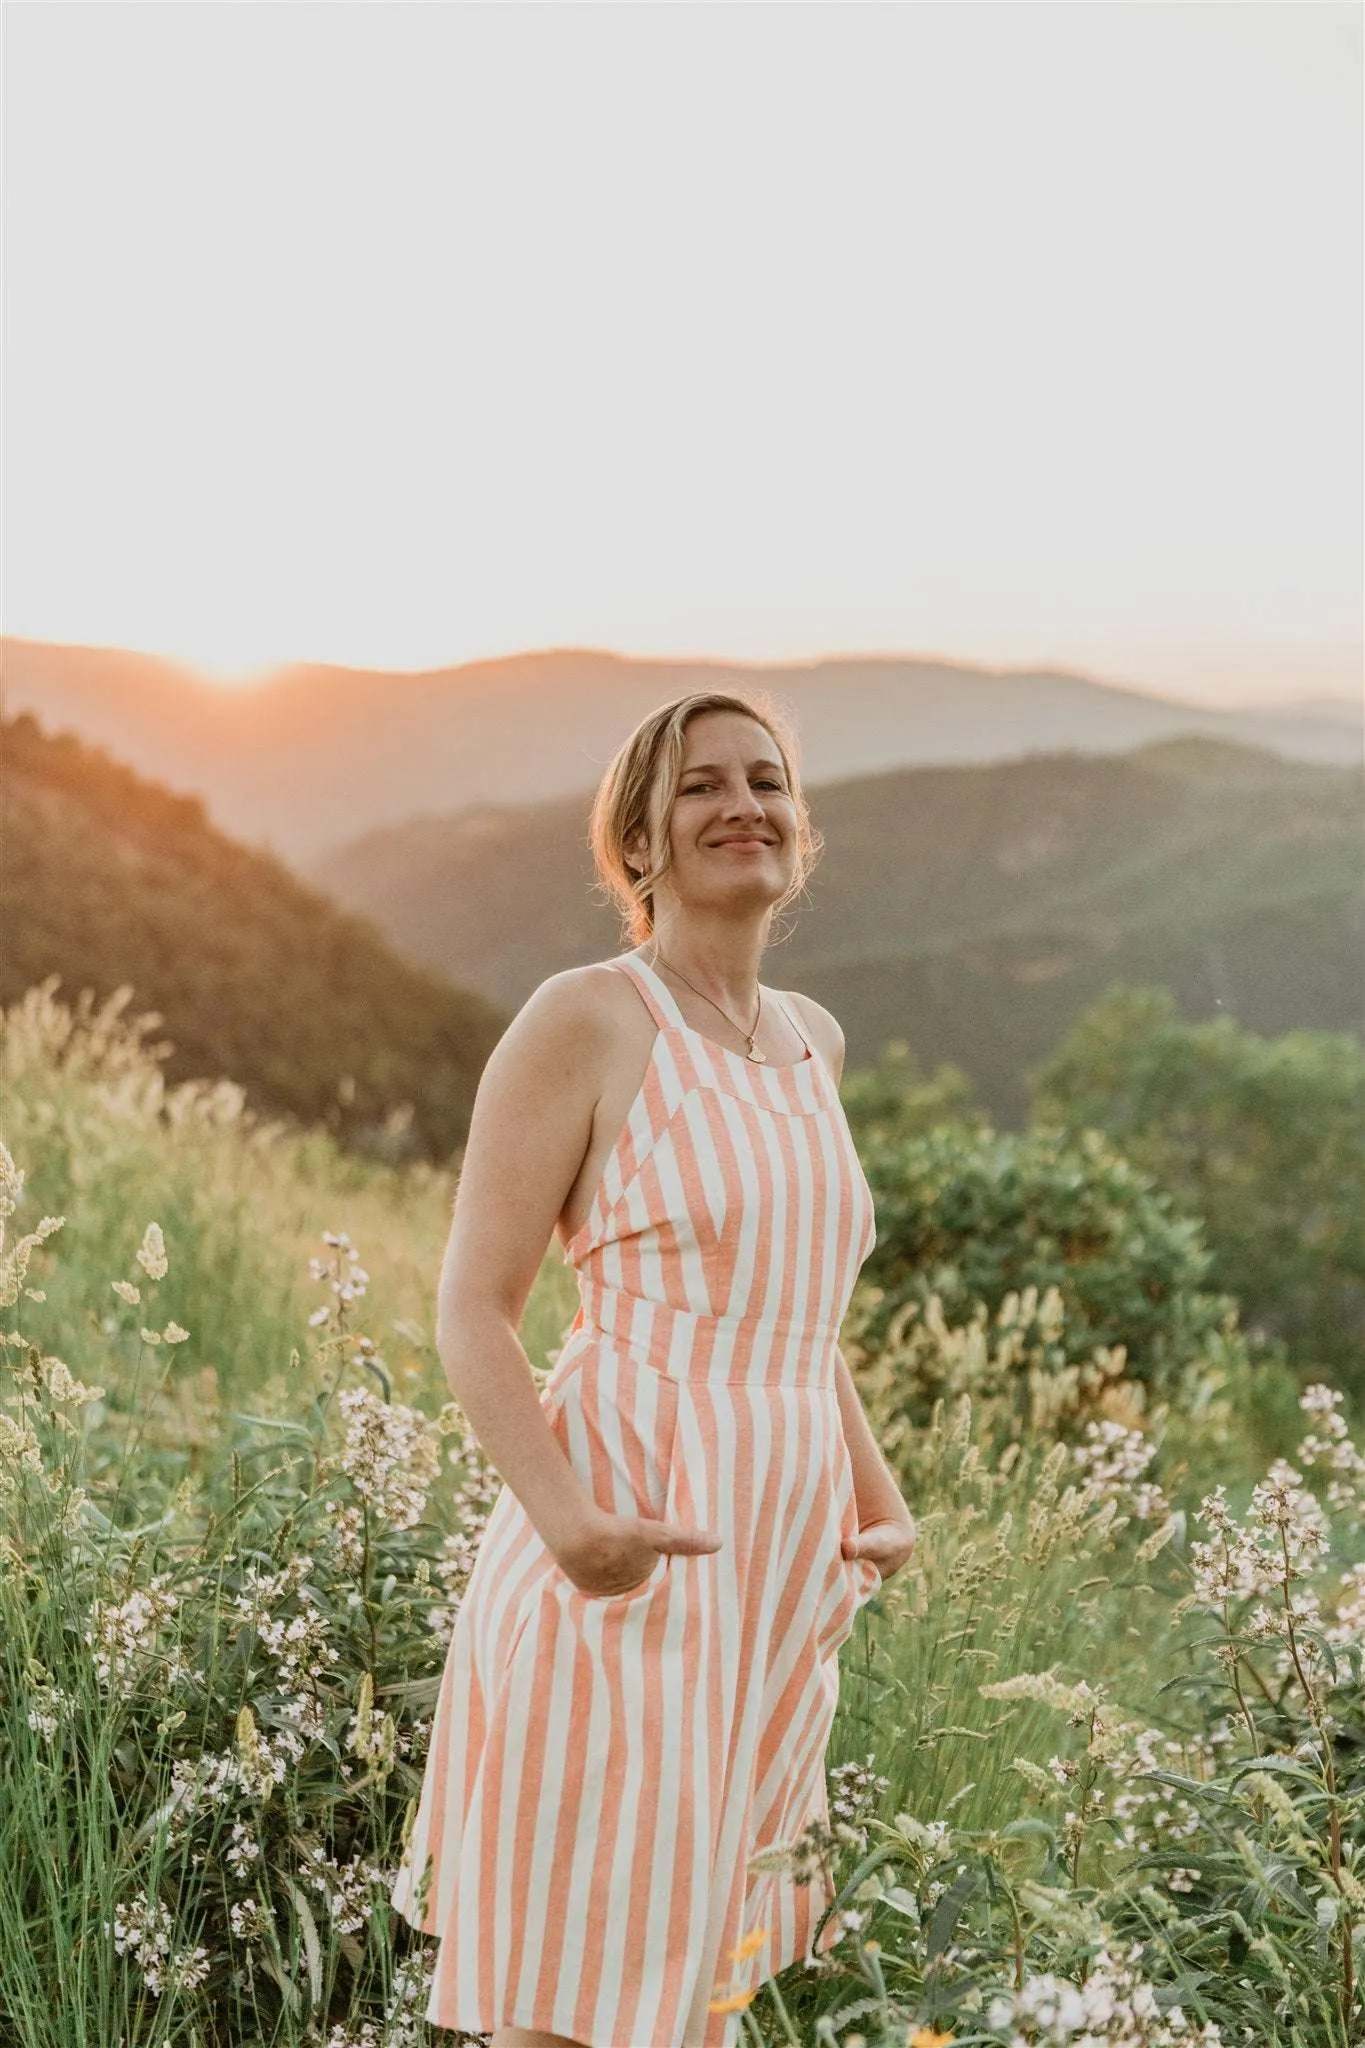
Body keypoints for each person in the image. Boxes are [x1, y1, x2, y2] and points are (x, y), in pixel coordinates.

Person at [390, 687, 918, 2048]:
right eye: (700, 786)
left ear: (801, 825)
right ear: (637, 838)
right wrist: (575, 1535)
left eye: (767, 779)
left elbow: (797, 1315)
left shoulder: (812, 1039)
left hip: (780, 1571)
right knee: (577, 1978)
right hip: (633, 1538)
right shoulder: (588, 1019)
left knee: (696, 1975)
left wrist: (875, 1494)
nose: (742, 803)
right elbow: (473, 1306)